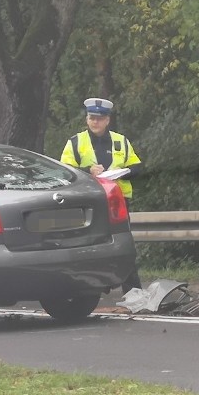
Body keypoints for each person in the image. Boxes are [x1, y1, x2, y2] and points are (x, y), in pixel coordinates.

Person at [60, 97, 143, 293]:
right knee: (87, 245)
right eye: (91, 118)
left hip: (117, 202)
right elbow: (64, 170)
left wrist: (122, 172)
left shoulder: (120, 141)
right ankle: (86, 289)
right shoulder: (75, 142)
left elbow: (137, 166)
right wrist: (88, 170)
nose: (94, 122)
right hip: (88, 201)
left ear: (107, 120)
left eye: (99, 118)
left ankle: (133, 292)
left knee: (123, 245)